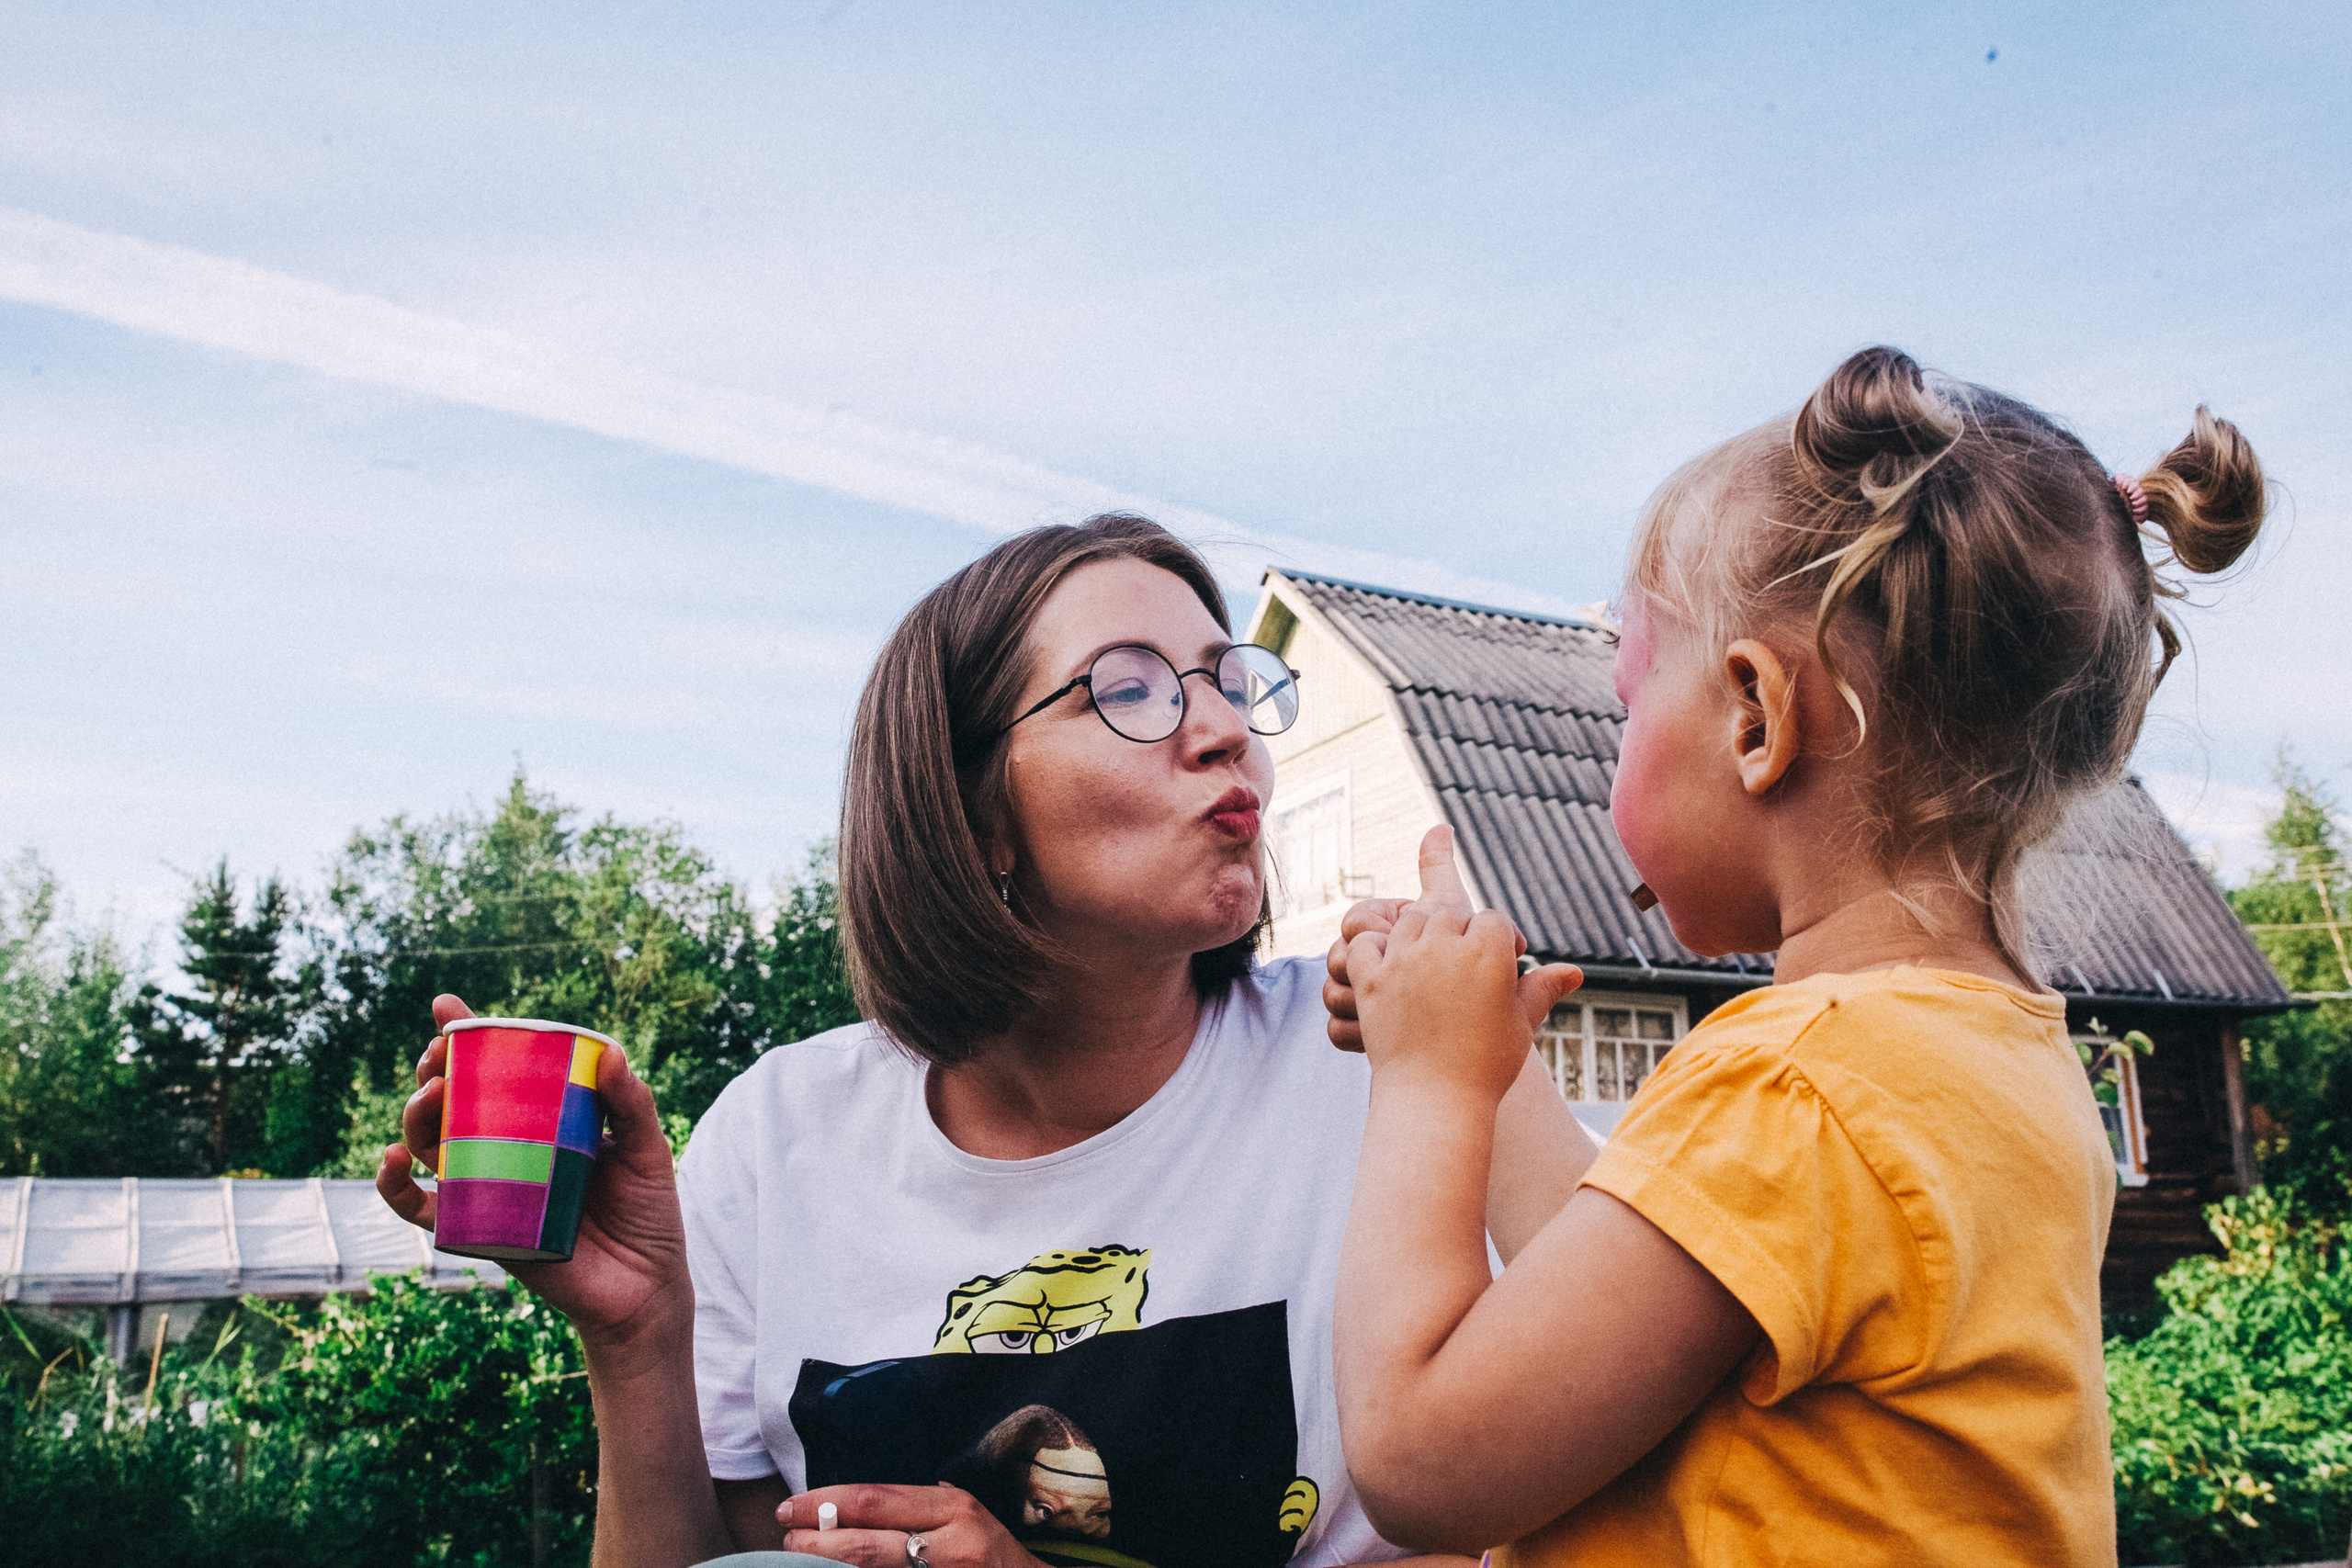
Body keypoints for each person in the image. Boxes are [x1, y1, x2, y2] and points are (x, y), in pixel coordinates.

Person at [380, 514, 1591, 1568]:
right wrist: (636, 1337)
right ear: (973, 817)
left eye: (1228, 681)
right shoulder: (779, 1137)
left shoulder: (1378, 1066)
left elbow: (1497, 1538)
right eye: (1132, 688)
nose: (1227, 730)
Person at [1323, 347, 2268, 1566]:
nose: (1612, 750)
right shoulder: (1987, 1066)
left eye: (1624, 705)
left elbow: (1422, 1462)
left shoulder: (1801, 1088)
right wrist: (1488, 1061)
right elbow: (1625, 1298)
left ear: (1757, 719)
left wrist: (1425, 1085)